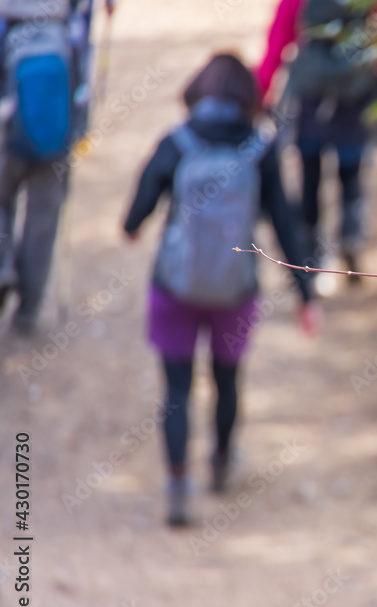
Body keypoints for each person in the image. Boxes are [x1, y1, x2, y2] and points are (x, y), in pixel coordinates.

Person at [123, 53, 320, 527]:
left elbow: (138, 210)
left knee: (176, 387)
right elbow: (286, 225)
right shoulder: (261, 148)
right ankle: (222, 460)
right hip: (236, 290)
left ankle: (176, 484)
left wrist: (134, 226)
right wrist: (307, 295)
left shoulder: (177, 142)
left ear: (196, 93)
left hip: (174, 286)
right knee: (228, 380)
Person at [257, 0, 377, 286]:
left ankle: (312, 255)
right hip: (355, 97)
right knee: (351, 175)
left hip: (312, 96)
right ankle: (350, 239)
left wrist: (262, 88)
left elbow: (278, 41)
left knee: (310, 178)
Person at [0, 0, 114, 334]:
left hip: (7, 127)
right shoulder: (68, 24)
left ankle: (3, 266)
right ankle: (29, 309)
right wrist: (80, 127)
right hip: (56, 132)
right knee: (43, 219)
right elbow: (84, 73)